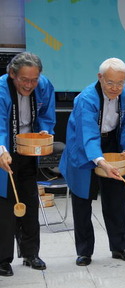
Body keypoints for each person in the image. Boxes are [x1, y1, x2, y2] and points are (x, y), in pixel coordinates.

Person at [59, 58, 125, 266]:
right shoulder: (85, 99)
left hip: (113, 141)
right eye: (110, 83)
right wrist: (100, 161)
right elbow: (87, 134)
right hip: (83, 147)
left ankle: (120, 247)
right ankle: (84, 251)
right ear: (100, 78)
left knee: (116, 198)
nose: (115, 88)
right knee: (82, 200)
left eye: (120, 83)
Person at [0, 52, 56, 276]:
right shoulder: (1, 90)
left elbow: (46, 114)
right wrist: (2, 151)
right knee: (5, 207)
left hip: (29, 150)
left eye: (34, 79)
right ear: (12, 74)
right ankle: (3, 258)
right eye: (24, 79)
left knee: (30, 203)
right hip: (5, 152)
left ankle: (30, 253)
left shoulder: (43, 85)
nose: (30, 85)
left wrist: (44, 130)